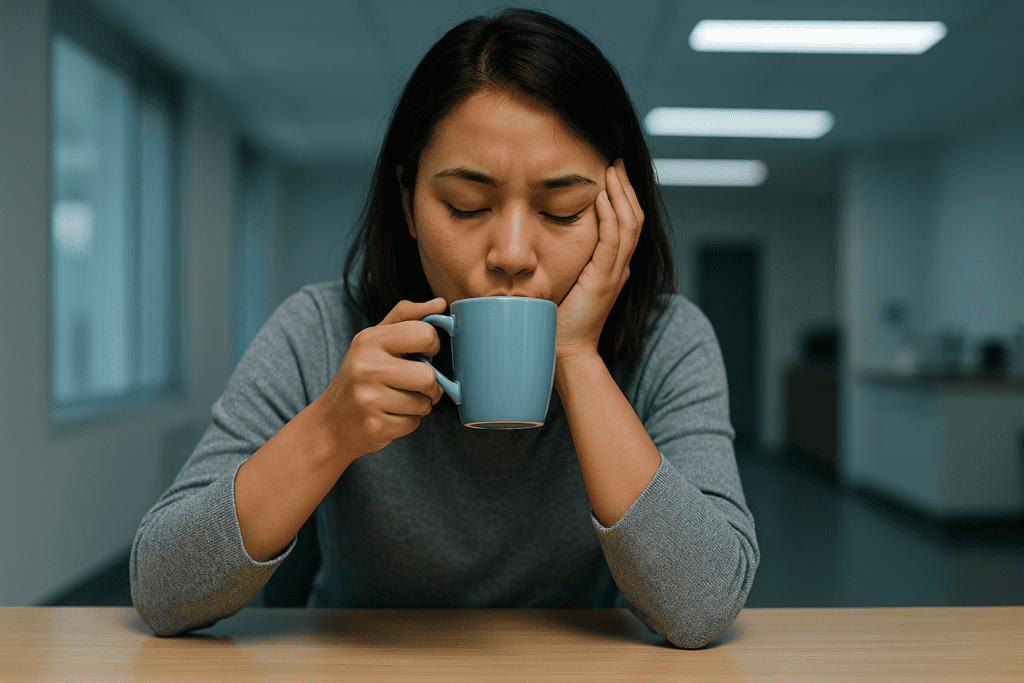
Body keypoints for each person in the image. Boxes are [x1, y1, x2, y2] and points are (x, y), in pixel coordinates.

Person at [130, 8, 759, 648]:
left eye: (563, 210)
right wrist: (329, 429)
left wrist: (576, 356)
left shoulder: (668, 341)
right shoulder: (318, 331)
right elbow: (161, 590)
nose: (512, 253)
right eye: (466, 205)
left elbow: (703, 606)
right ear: (408, 202)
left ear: (620, 215)